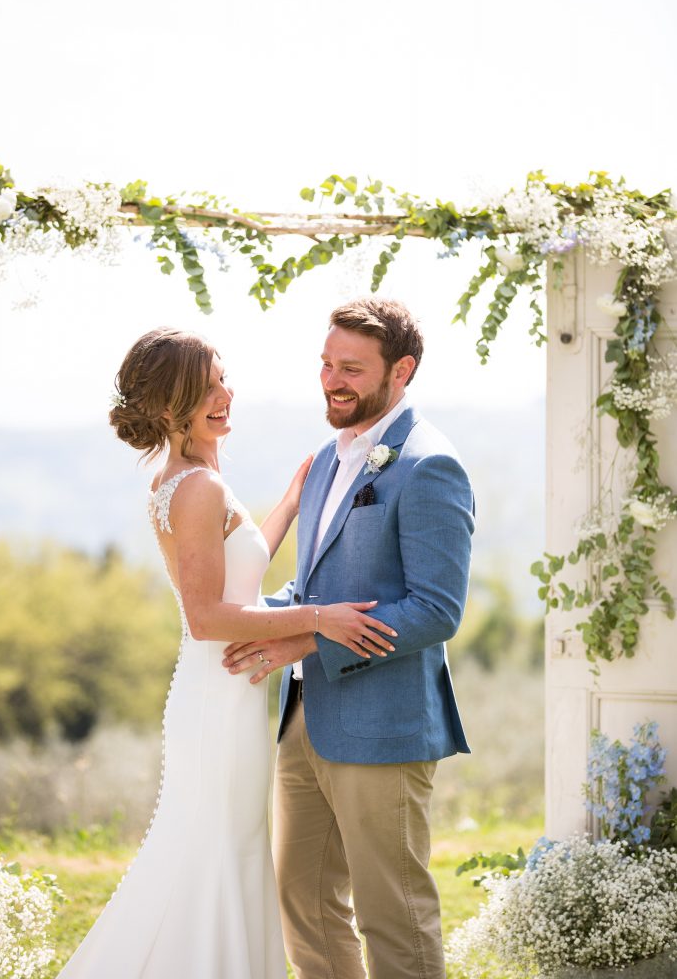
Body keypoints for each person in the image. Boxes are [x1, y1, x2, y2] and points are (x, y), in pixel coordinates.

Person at [56, 326, 396, 979]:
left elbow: (240, 577)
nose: (224, 394)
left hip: (227, 695)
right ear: (166, 407)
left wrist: (292, 502)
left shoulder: (197, 477)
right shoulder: (195, 488)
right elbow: (208, 616)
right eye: (205, 387)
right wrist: (320, 618)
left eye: (221, 378)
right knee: (216, 852)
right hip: (216, 698)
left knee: (231, 849)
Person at [223, 298, 475, 979]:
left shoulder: (429, 466)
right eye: (327, 364)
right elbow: (312, 593)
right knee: (301, 898)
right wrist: (247, 619)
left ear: (402, 372)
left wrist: (307, 642)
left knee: (391, 912)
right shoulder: (324, 460)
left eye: (352, 369)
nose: (332, 380)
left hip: (382, 723)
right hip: (303, 719)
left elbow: (435, 608)